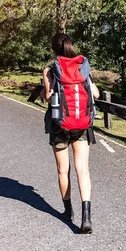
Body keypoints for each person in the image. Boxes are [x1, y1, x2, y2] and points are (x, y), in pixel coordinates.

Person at [42, 33, 100, 234]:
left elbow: (49, 98)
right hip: (82, 125)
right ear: (70, 46)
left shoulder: (50, 70)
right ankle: (86, 218)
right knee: (82, 169)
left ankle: (68, 212)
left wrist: (43, 92)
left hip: (59, 125)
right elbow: (96, 94)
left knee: (62, 170)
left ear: (53, 49)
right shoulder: (82, 66)